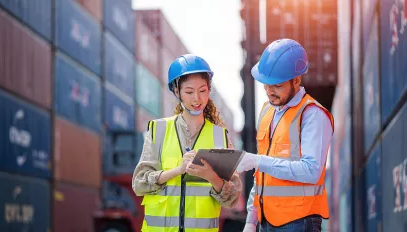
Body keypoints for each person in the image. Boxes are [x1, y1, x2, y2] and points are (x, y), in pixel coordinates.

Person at [132, 54, 242, 232]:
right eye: (189, 92)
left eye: (203, 90)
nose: (197, 99)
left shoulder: (220, 136)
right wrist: (178, 170)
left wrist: (211, 177)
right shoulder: (159, 130)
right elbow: (139, 183)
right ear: (177, 91)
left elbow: (233, 197)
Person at [236, 39, 334, 232]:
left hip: (299, 222)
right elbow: (262, 175)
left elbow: (311, 171)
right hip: (266, 221)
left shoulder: (312, 114)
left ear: (296, 80)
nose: (269, 91)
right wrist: (251, 219)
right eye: (265, 84)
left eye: (277, 85)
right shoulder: (266, 112)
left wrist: (258, 160)